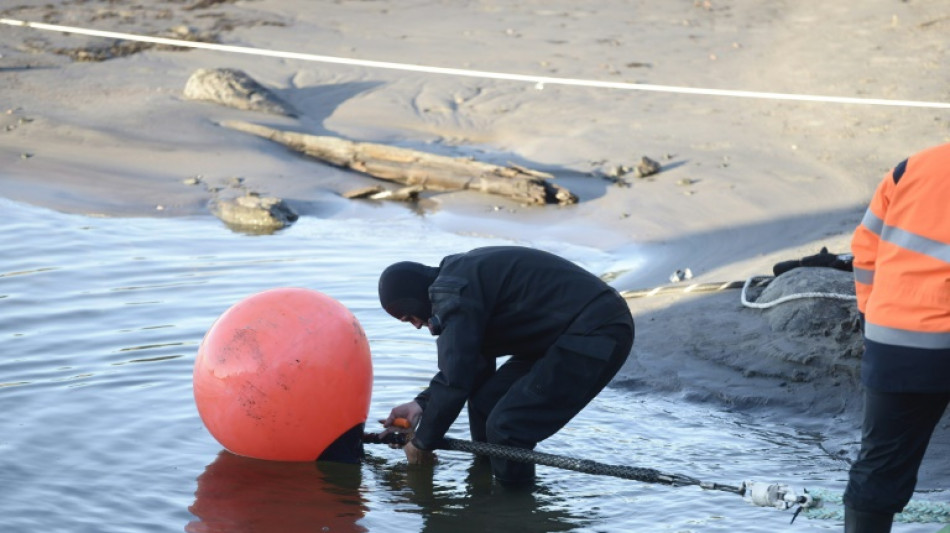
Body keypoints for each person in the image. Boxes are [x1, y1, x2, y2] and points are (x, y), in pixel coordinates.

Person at [377, 246, 634, 487]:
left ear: (415, 297)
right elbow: (468, 366)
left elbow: (455, 381)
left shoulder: (451, 295)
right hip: (561, 335)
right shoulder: (458, 283)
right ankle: (484, 485)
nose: (417, 325)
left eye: (409, 317)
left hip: (598, 329)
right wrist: (421, 404)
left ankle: (514, 506)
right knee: (485, 402)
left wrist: (422, 443)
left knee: (508, 427)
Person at [844, 142, 950, 532]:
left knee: (878, 468)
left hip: (894, 340)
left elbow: (864, 249)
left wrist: (871, 317)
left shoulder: (911, 168)